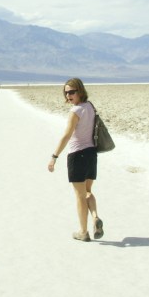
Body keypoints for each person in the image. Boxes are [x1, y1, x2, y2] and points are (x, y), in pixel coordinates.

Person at [47, 78, 104, 242]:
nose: (68, 95)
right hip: (91, 154)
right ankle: (95, 217)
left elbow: (67, 135)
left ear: (80, 91)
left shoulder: (76, 111)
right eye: (66, 92)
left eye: (72, 92)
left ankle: (83, 232)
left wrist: (54, 156)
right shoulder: (90, 106)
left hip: (77, 155)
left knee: (80, 196)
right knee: (87, 191)